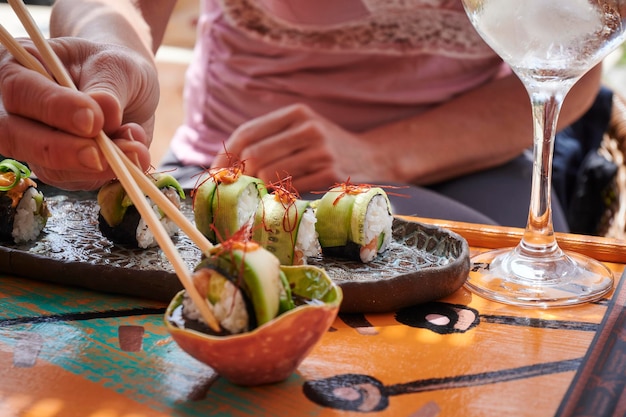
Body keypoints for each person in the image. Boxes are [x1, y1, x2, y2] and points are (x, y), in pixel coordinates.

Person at [0, 0, 606, 232]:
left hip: (469, 159)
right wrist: (118, 55)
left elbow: (572, 63)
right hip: (233, 164)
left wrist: (378, 157)